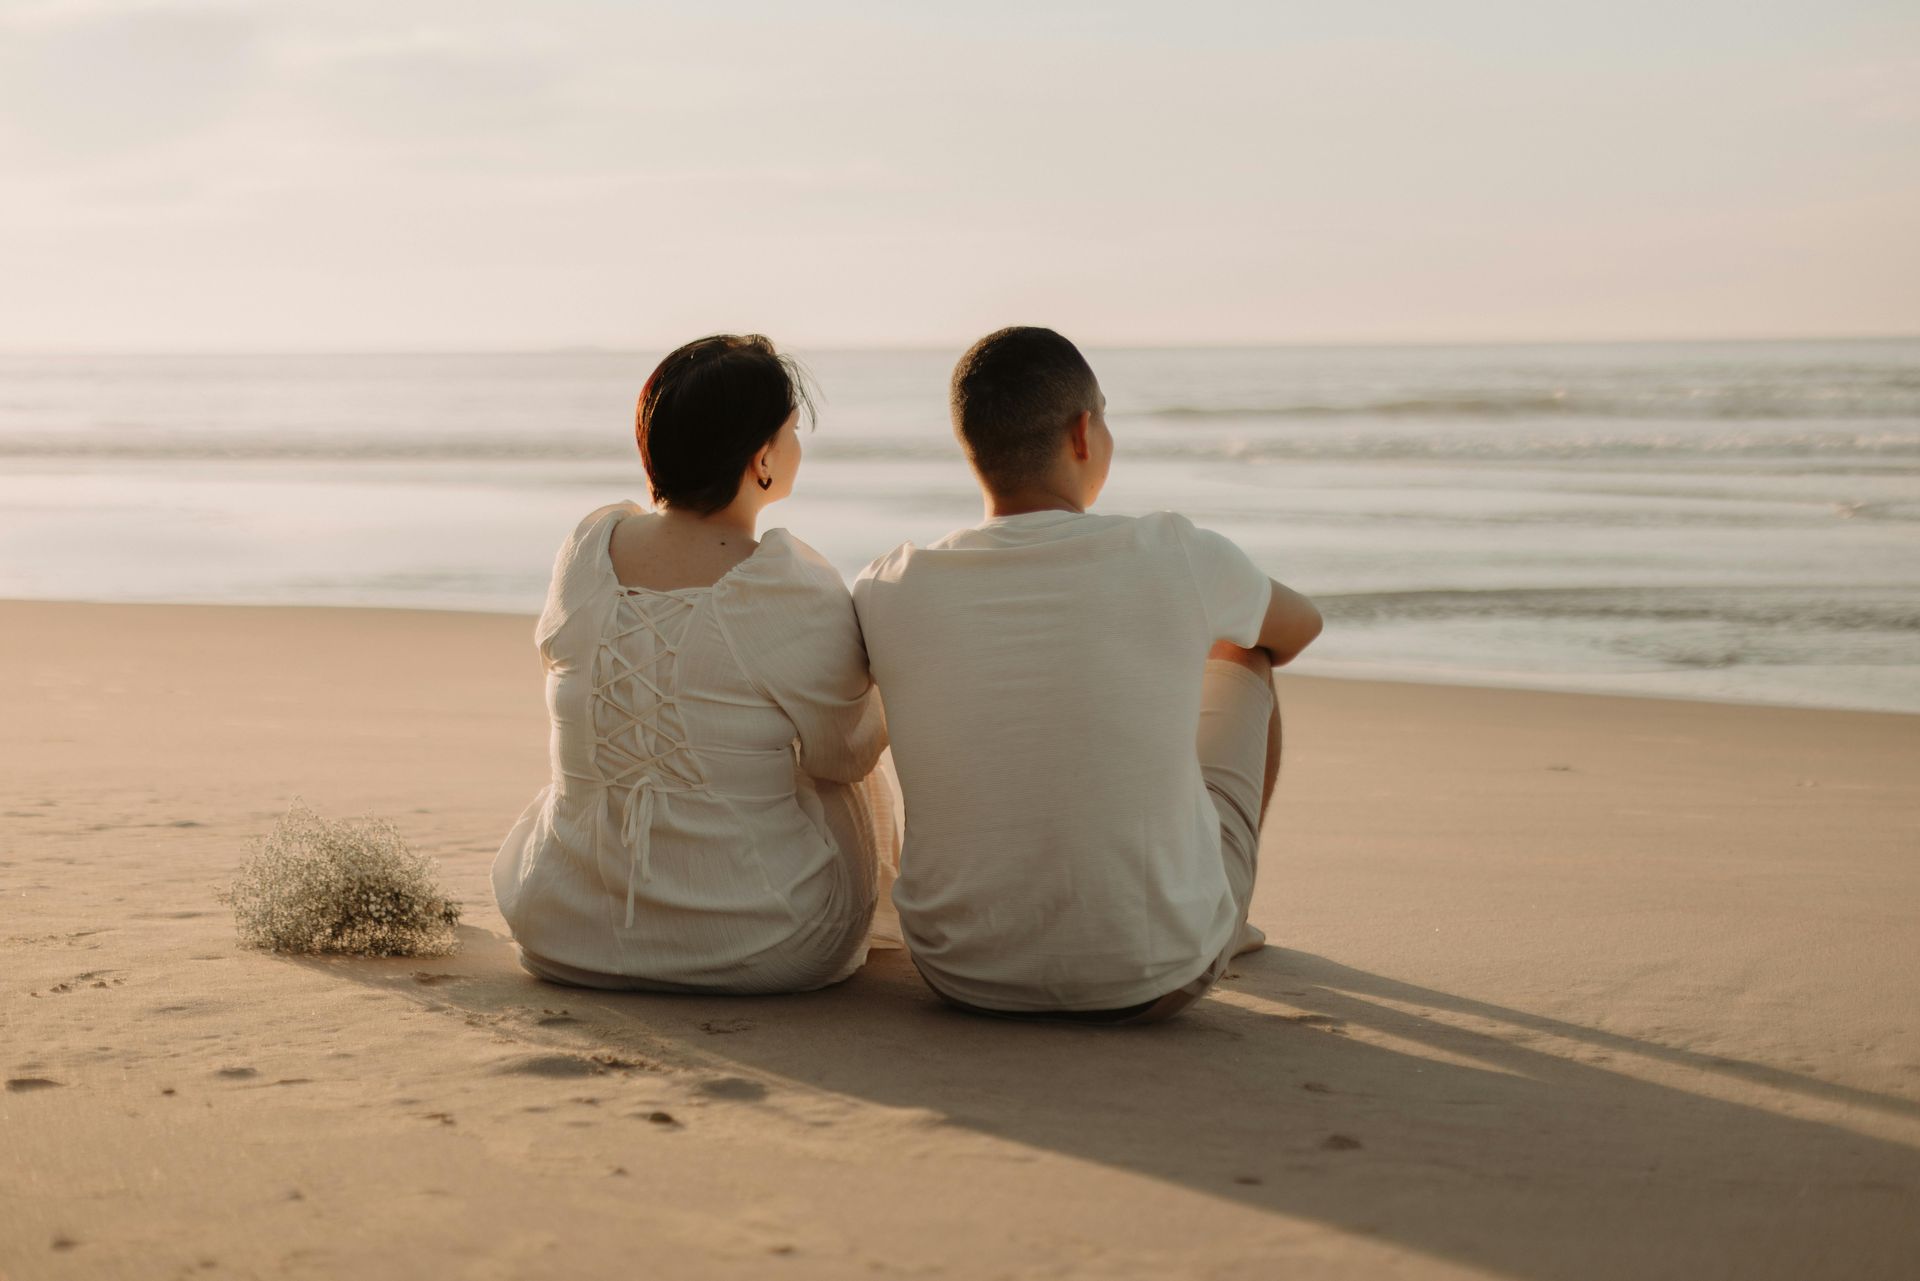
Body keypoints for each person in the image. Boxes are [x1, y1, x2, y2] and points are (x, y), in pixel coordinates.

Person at [852, 326, 1322, 1024]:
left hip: (961, 970)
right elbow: (1299, 626)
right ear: (1082, 432)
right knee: (1242, 644)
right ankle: (1226, 913)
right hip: (1158, 971)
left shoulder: (888, 584)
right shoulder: (1171, 550)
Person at [494, 334, 896, 993]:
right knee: (848, 746)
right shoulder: (783, 583)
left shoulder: (589, 548)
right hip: (765, 942)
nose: (798, 445)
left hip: (564, 927)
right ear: (762, 459)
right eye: (792, 430)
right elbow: (845, 757)